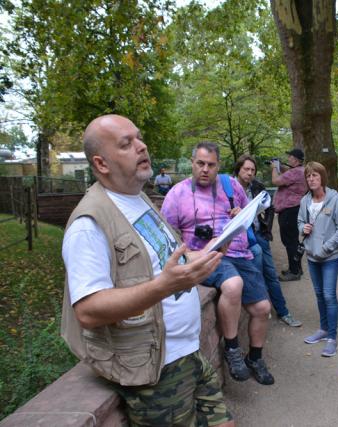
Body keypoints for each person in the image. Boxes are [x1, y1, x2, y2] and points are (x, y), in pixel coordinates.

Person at [61, 115, 233, 426]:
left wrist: (200, 256)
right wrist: (164, 286)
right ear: (101, 164)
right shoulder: (88, 225)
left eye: (138, 138)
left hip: (189, 351)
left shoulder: (138, 200)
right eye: (126, 144)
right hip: (155, 371)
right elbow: (88, 310)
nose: (142, 146)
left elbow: (161, 261)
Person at [161, 142, 275, 386]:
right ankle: (232, 349)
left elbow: (248, 212)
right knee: (233, 286)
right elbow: (167, 237)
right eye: (200, 164)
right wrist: (190, 253)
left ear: (218, 166)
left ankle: (255, 358)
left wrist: (239, 213)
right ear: (192, 163)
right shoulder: (176, 194)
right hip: (205, 255)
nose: (205, 169)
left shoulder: (230, 185)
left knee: (263, 308)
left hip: (237, 252)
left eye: (210, 165)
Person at [233, 154, 302, 328]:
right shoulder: (228, 188)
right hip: (237, 239)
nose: (249, 173)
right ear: (238, 169)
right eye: (246, 169)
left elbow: (269, 207)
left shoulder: (257, 187)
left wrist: (267, 230)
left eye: (252, 170)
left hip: (258, 234)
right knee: (254, 274)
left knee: (270, 274)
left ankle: (283, 311)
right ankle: (260, 311)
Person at [298, 161, 338, 357]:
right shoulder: (305, 201)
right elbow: (300, 222)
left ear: (322, 177)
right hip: (311, 257)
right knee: (319, 295)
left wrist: (326, 247)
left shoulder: (334, 200)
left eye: (315, 175)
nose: (311, 179)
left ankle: (332, 338)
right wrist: (303, 228)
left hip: (329, 257)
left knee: (329, 295)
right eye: (308, 176)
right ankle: (323, 328)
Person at [271, 148, 308, 281]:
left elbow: (275, 181)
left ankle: (294, 271)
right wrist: (281, 166)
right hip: (293, 209)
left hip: (289, 210)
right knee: (293, 240)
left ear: (296, 160)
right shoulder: (300, 171)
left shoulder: (296, 172)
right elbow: (288, 173)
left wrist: (274, 168)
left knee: (290, 241)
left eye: (290, 157)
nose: (288, 159)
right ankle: (297, 268)